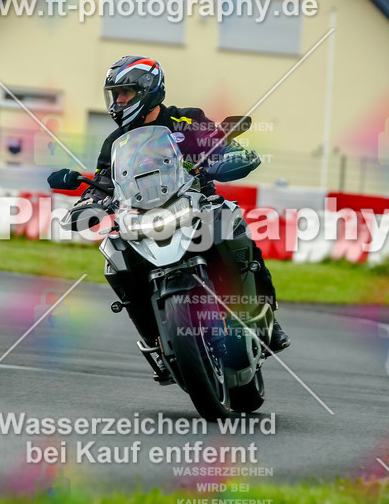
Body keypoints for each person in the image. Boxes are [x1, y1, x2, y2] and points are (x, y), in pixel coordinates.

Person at [68, 55, 290, 355]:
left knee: (231, 224)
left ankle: (265, 320)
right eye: (115, 95)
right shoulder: (114, 142)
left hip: (197, 204)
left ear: (148, 90)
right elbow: (105, 181)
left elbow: (219, 145)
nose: (118, 101)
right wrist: (89, 203)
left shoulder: (186, 120)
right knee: (114, 256)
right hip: (141, 216)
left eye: (126, 93)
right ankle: (155, 340)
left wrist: (231, 156)